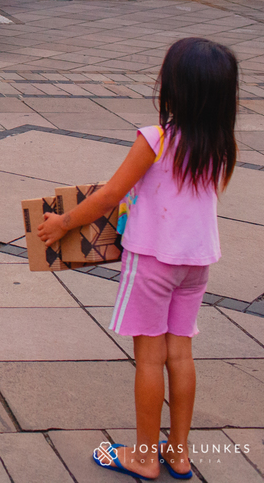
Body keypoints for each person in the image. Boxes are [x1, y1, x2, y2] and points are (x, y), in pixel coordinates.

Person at [38, 37, 237, 482]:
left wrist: (63, 223)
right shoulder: (220, 144)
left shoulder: (157, 138)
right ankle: (179, 454)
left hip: (152, 261)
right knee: (180, 354)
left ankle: (145, 457)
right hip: (196, 262)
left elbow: (111, 194)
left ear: (175, 88)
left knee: (149, 359)